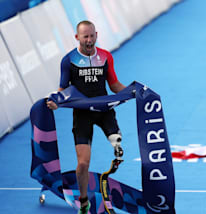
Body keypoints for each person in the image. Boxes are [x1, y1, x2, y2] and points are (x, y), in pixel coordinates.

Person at [46, 20, 126, 214]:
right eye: (85, 37)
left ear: (96, 35)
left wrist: (134, 92)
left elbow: (114, 85)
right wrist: (56, 101)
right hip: (82, 115)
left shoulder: (106, 56)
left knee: (116, 141)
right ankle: (83, 201)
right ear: (77, 37)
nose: (89, 41)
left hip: (104, 110)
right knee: (82, 164)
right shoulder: (68, 60)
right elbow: (63, 89)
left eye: (92, 36)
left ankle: (116, 142)